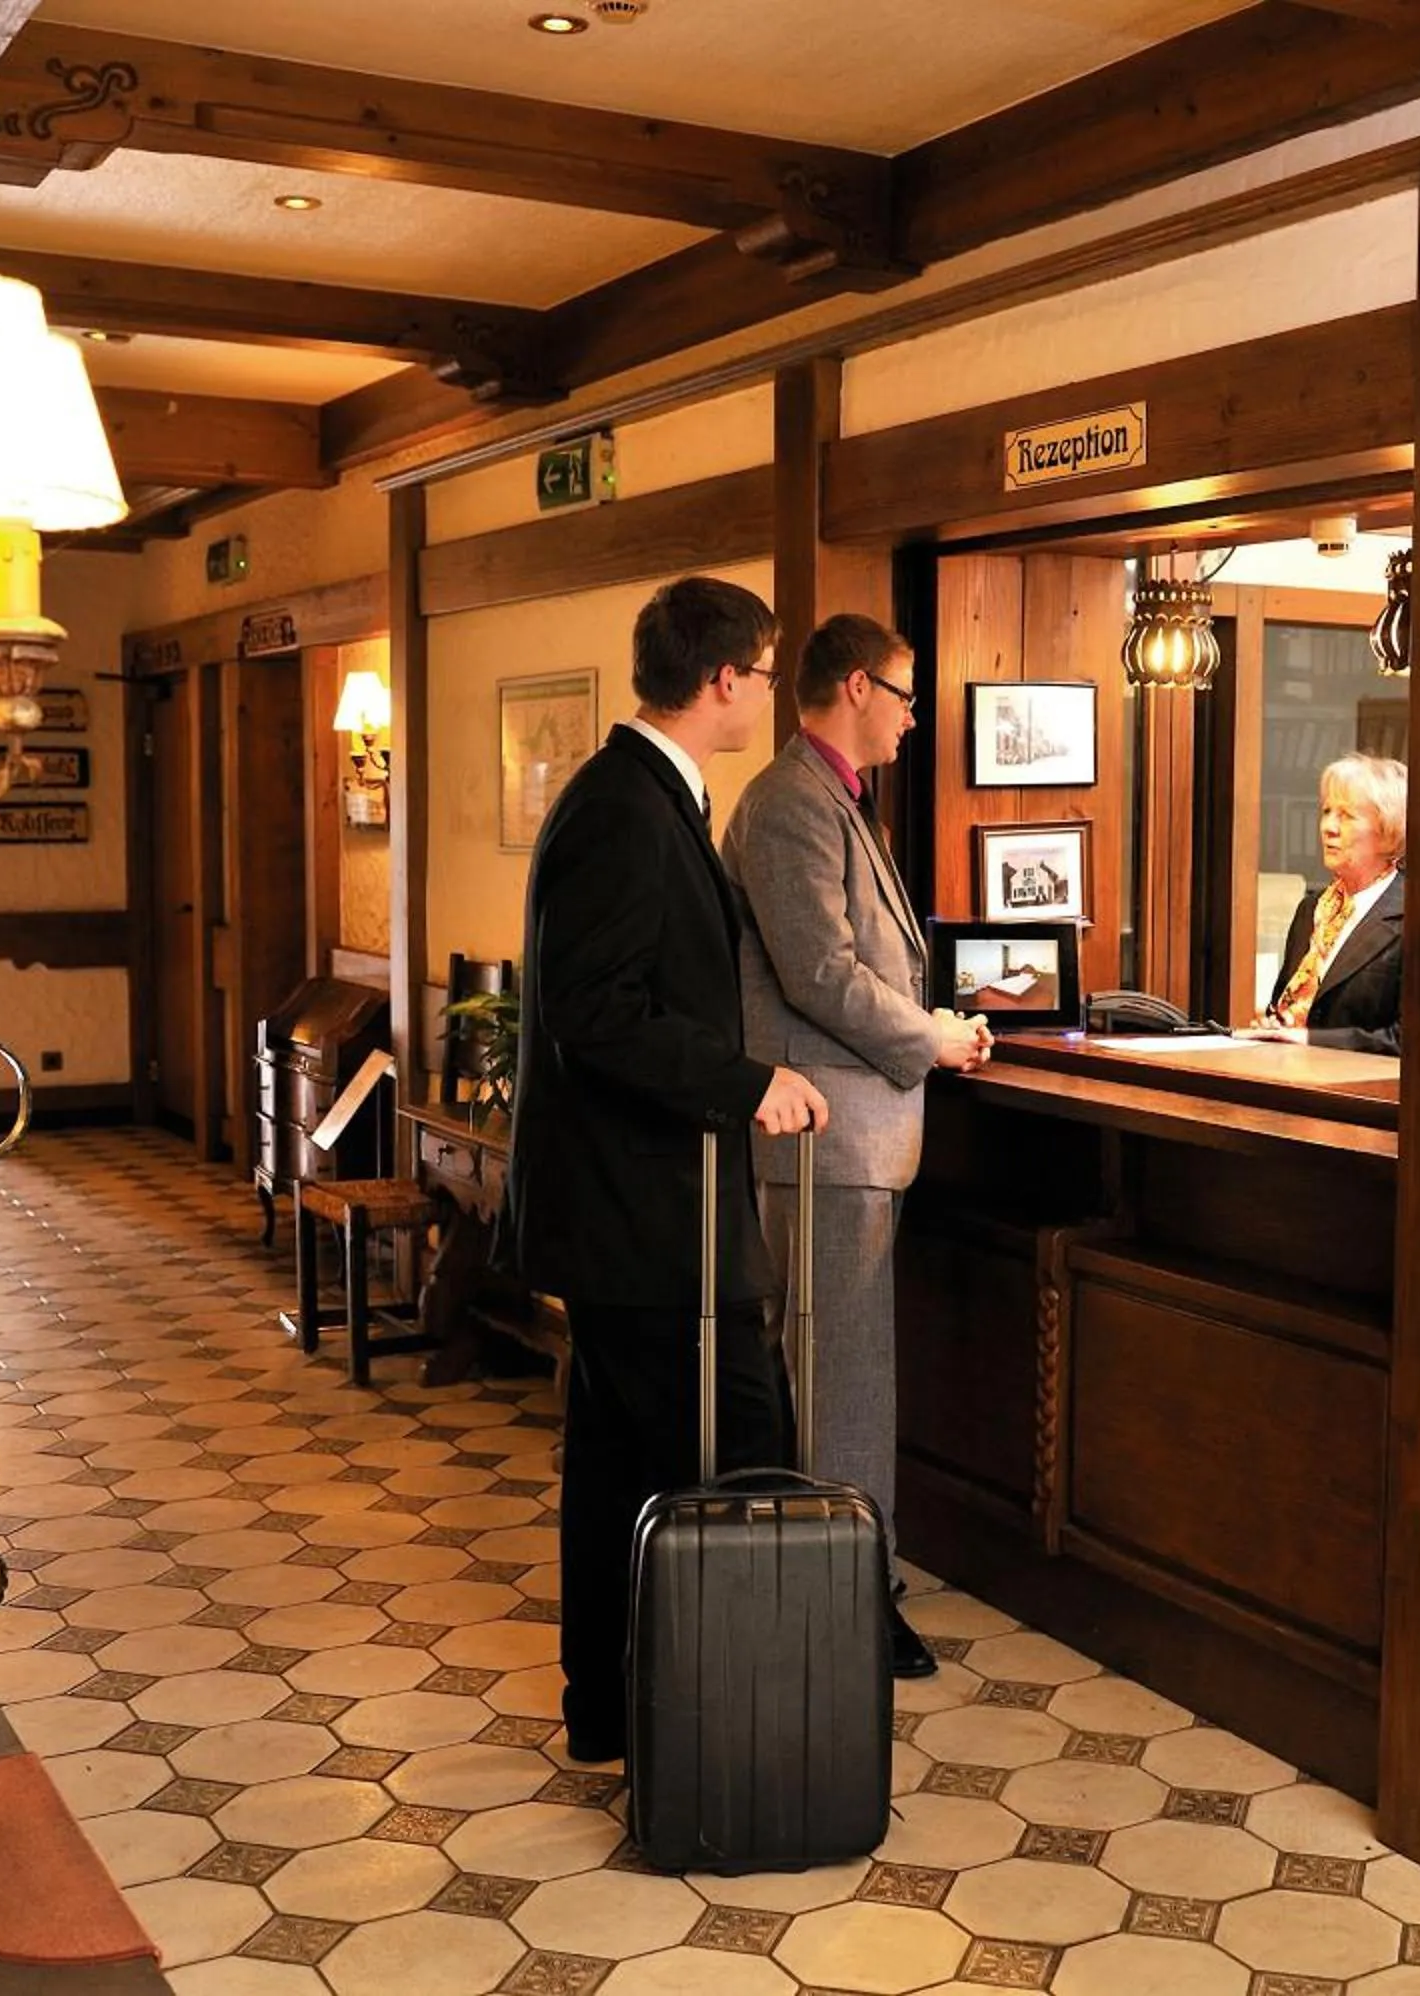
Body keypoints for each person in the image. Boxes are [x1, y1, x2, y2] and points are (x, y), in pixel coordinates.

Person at [502, 574, 830, 1767]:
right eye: (763, 668)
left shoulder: (645, 796)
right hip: (644, 1221)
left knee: (620, 1465)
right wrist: (746, 1082)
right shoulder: (622, 808)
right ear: (723, 679)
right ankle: (737, 1730)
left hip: (636, 1217)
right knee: (744, 1447)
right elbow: (595, 1012)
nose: (765, 691)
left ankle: (618, 1711)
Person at [723, 614, 991, 1681]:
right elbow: (821, 975)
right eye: (904, 691)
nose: (915, 715)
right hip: (825, 1143)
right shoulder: (792, 802)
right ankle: (848, 1600)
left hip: (852, 1144)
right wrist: (934, 1034)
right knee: (839, 1380)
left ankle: (842, 1580)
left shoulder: (833, 799)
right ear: (850, 687)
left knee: (842, 1372)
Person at [1239, 750, 1407, 1054]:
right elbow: (1283, 1009)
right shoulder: (1311, 911)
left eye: (1346, 816)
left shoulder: (1414, 916)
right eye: (1327, 811)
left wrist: (1309, 1039)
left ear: (1388, 831)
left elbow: (1404, 1040)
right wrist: (1274, 1029)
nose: (1328, 827)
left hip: (1363, 1094)